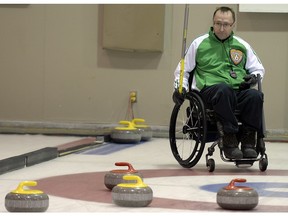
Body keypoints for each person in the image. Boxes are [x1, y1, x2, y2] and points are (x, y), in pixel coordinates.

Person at [172, 6, 265, 160]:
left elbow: (258, 68)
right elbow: (182, 70)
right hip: (209, 92)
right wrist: (180, 87)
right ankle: (229, 140)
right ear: (213, 23)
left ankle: (249, 142)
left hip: (236, 91)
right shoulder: (199, 43)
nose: (221, 28)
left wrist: (254, 77)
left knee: (254, 96)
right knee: (224, 89)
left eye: (226, 24)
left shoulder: (242, 45)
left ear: (233, 25)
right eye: (218, 23)